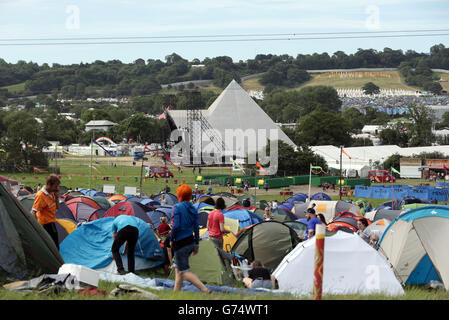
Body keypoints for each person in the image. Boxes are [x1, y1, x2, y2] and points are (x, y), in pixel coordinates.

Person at [170, 184, 210, 293]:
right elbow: (196, 228)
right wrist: (196, 244)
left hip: (180, 242)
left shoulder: (176, 207)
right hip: (190, 241)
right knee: (179, 270)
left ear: (179, 195)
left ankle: (205, 289)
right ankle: (175, 294)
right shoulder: (193, 208)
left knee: (183, 271)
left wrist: (171, 239)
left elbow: (176, 225)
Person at [31, 175, 61, 249]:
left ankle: (56, 259)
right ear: (49, 184)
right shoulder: (40, 195)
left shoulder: (52, 192)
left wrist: (56, 197)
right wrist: (38, 228)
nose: (57, 188)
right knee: (50, 247)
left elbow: (57, 207)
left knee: (56, 247)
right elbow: (33, 212)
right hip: (45, 226)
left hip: (52, 222)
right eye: (56, 186)